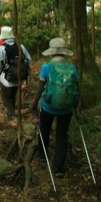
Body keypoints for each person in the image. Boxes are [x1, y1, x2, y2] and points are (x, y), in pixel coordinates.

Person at [30, 37, 79, 178]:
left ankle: (42, 154)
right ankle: (58, 167)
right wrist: (75, 103)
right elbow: (76, 87)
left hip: (48, 106)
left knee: (44, 129)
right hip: (67, 108)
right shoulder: (72, 68)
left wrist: (34, 102)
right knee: (61, 135)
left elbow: (40, 88)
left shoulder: (47, 67)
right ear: (64, 52)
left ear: (51, 52)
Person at [0, 26, 32, 119]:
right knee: (12, 96)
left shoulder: (1, 49)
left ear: (3, 37)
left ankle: (10, 116)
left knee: (6, 99)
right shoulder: (21, 46)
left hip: (6, 80)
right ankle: (12, 113)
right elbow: (29, 59)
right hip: (19, 78)